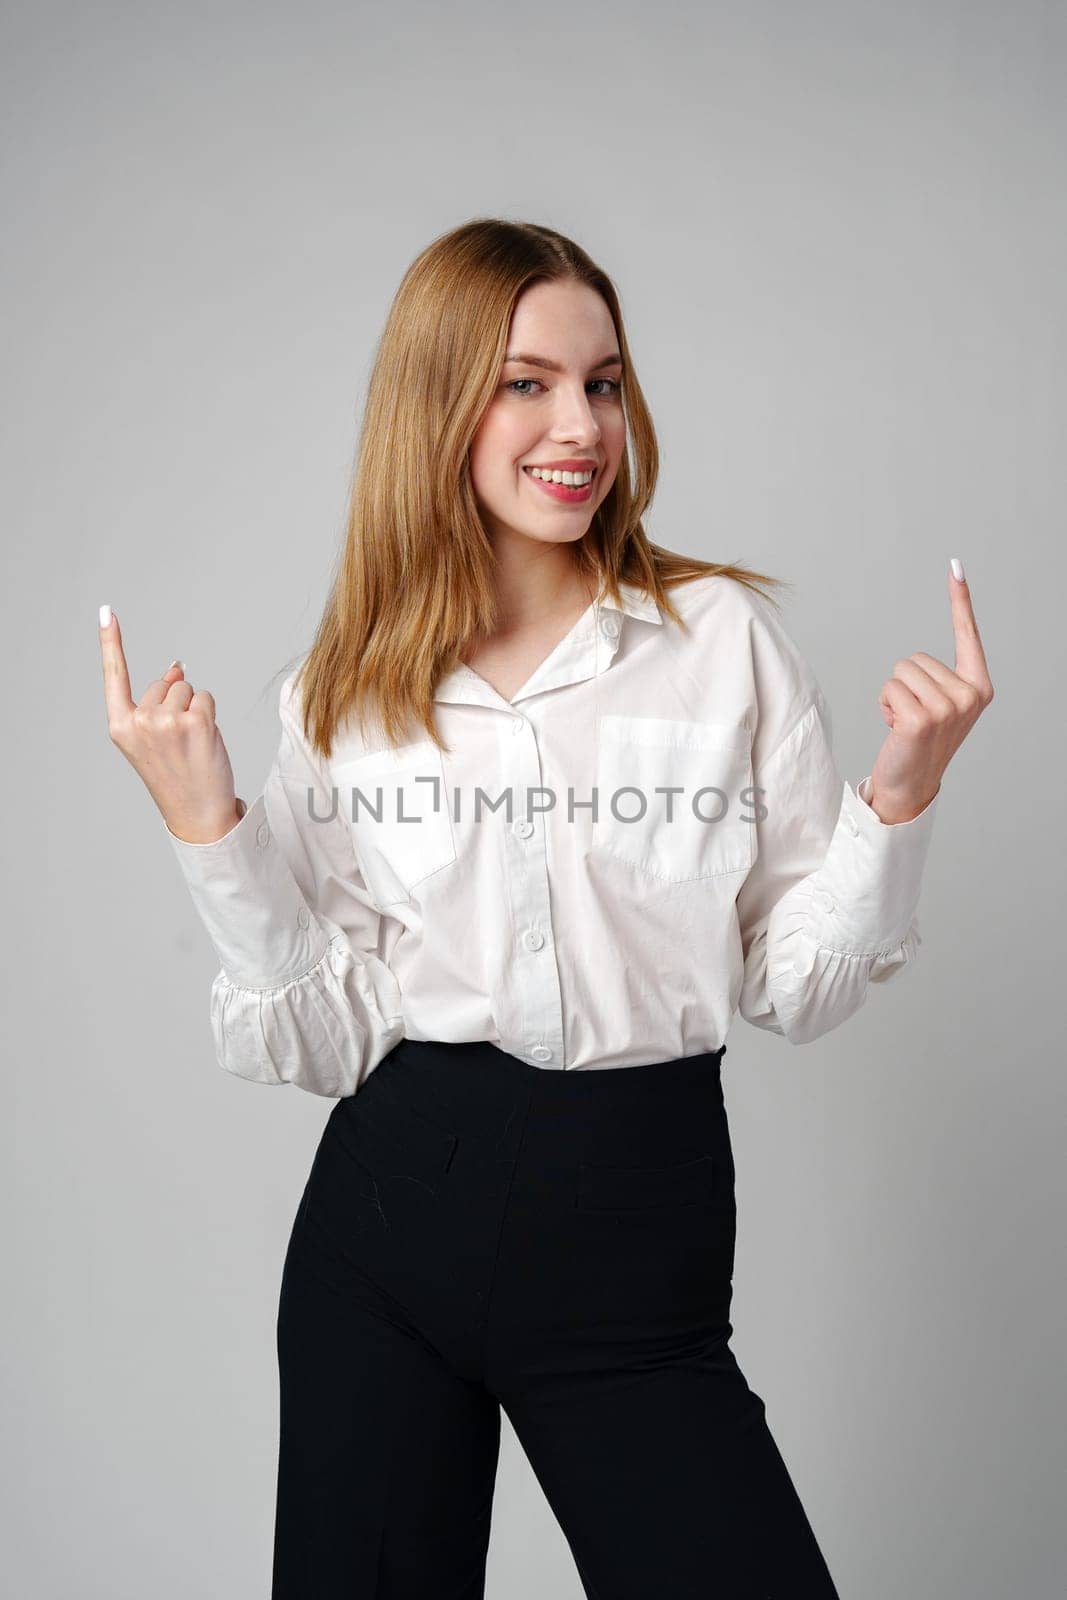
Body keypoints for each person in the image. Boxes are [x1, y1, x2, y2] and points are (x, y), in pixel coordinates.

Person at [98, 218, 993, 1598]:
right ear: (440, 403)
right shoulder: (341, 693)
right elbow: (322, 1041)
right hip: (382, 1243)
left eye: (606, 382)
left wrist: (901, 794)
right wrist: (206, 826)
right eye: (528, 382)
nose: (579, 424)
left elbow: (793, 986)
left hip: (636, 1245)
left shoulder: (720, 647)